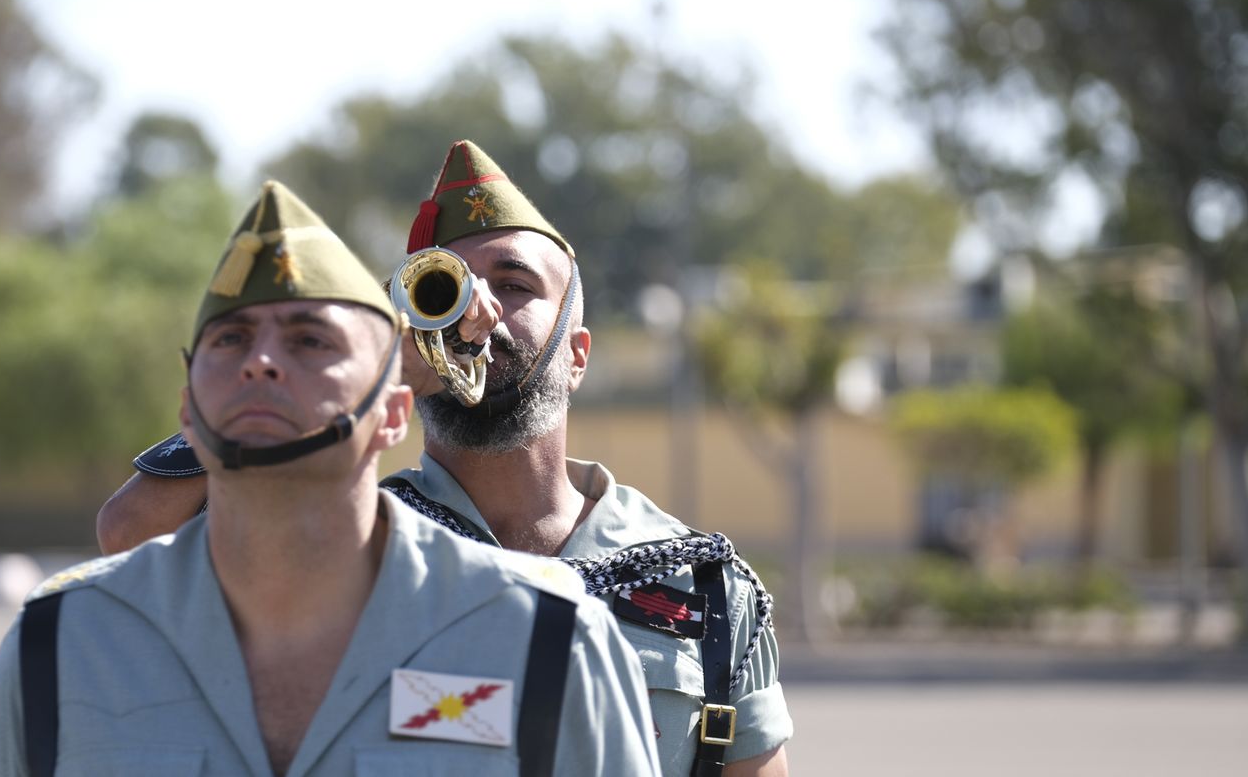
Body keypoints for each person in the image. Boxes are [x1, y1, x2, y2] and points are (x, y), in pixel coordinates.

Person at [97, 142, 795, 777]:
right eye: (444, 286)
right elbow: (132, 537)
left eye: (514, 285)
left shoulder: (701, 583)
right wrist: (355, 379)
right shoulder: (342, 542)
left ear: (577, 355)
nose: (475, 310)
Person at [0, 181, 660, 777]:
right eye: (231, 339)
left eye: (310, 340)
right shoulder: (58, 643)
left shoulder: (567, 627)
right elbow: (130, 536)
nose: (262, 362)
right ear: (187, 402)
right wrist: (381, 362)